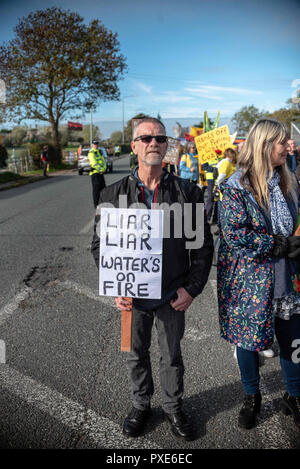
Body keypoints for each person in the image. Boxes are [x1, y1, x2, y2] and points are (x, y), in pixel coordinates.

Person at [91, 117, 213, 440]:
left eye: (160, 138)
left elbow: (202, 247)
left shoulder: (187, 193)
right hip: (132, 294)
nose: (153, 143)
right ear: (134, 146)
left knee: (172, 355)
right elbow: (99, 246)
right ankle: (141, 404)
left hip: (173, 293)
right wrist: (116, 284)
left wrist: (193, 288)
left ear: (167, 145)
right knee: (135, 354)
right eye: (145, 138)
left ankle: (173, 407)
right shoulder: (112, 193)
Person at [217, 118, 300, 430]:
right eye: (281, 142)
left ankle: (294, 396)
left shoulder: (288, 182)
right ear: (265, 146)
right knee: (248, 342)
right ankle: (252, 396)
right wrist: (280, 244)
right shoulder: (235, 187)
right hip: (249, 282)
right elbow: (236, 235)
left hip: (288, 279)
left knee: (294, 341)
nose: (287, 146)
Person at [88, 140, 106, 208]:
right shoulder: (91, 153)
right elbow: (94, 163)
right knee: (96, 191)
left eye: (97, 144)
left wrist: (104, 169)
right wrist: (101, 169)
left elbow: (103, 161)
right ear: (92, 145)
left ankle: (102, 203)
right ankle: (96, 205)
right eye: (95, 144)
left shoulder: (99, 152)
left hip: (101, 173)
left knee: (103, 189)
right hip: (95, 174)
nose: (96, 145)